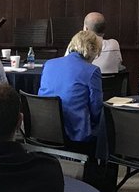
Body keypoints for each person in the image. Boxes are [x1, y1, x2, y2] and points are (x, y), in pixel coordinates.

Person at [39, 30, 104, 181]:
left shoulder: (49, 64)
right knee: (107, 134)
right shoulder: (92, 71)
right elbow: (96, 109)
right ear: (93, 51)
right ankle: (101, 188)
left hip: (45, 130)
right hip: (76, 134)